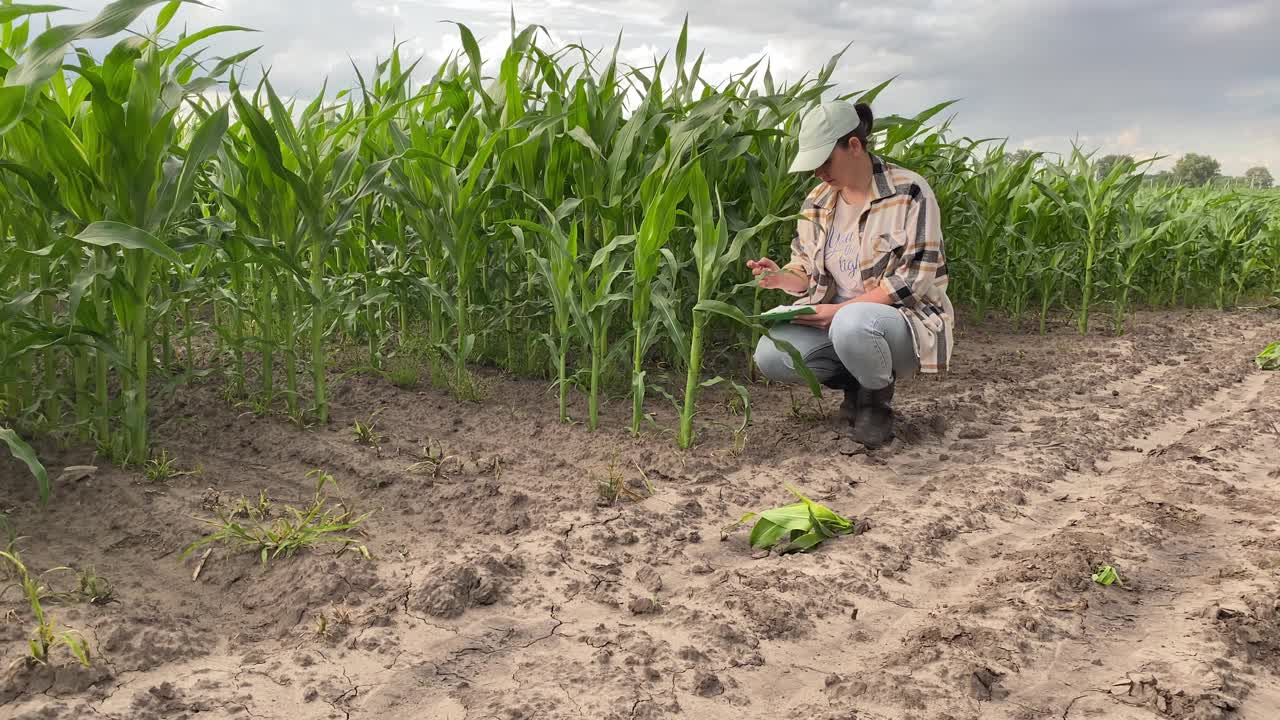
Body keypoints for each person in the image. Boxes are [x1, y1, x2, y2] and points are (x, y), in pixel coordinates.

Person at [748, 100, 954, 448]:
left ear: (854, 146)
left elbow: (913, 281)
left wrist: (838, 311)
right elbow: (805, 267)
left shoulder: (910, 192)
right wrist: (781, 278)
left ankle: (877, 402)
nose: (819, 173)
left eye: (824, 161)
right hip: (838, 321)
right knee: (771, 353)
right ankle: (855, 388)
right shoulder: (818, 200)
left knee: (852, 322)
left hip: (898, 324)